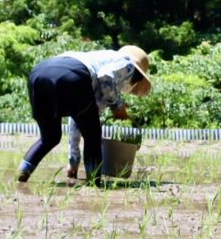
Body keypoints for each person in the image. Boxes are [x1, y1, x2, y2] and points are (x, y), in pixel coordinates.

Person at [18, 46, 153, 184]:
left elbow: (77, 119)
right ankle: (95, 183)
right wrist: (118, 106)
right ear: (136, 77)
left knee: (50, 137)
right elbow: (106, 78)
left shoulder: (98, 60)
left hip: (38, 74)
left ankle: (21, 176)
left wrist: (73, 160)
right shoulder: (127, 63)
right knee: (93, 136)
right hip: (73, 75)